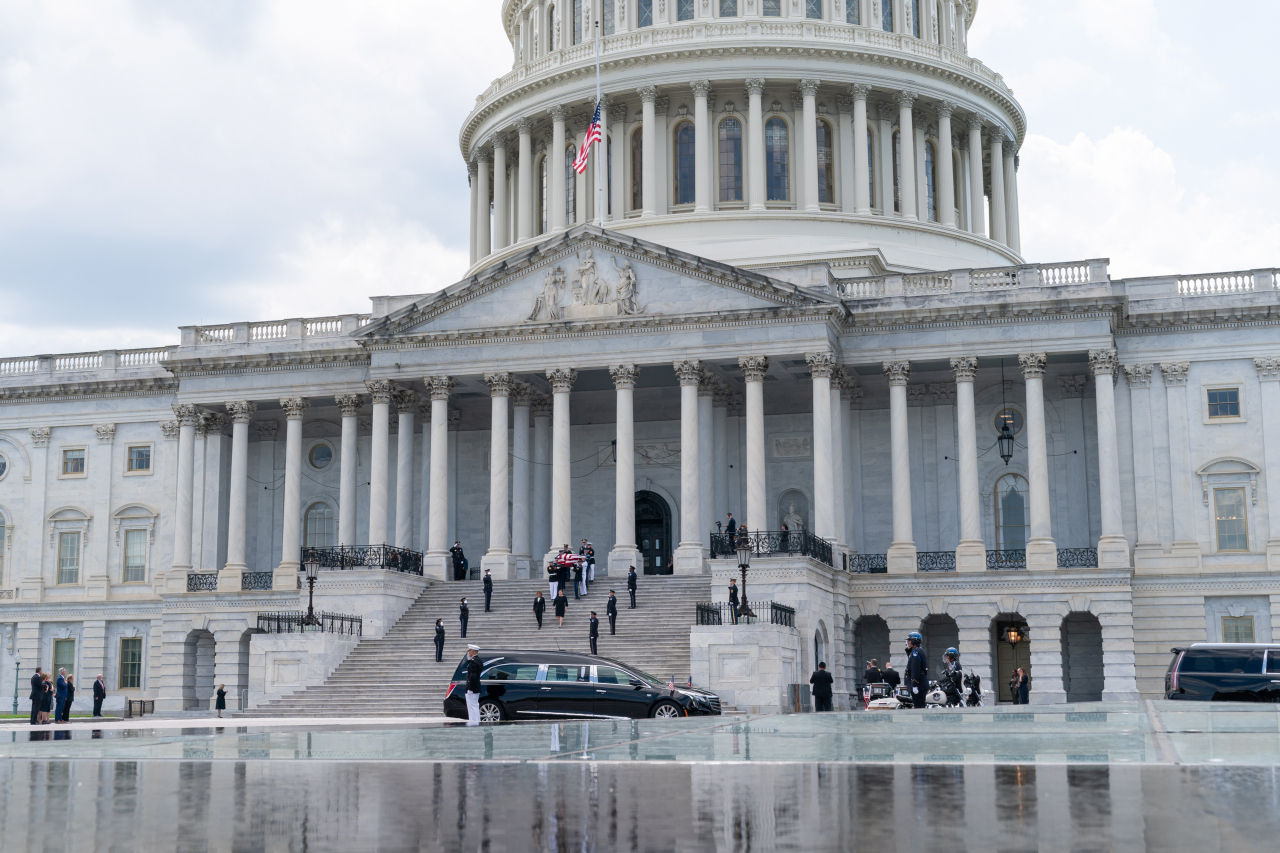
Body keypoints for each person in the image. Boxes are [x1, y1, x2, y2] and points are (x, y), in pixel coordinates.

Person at [905, 632, 928, 709]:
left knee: (919, 707)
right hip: (921, 683)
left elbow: (915, 669)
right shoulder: (918, 650)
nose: (908, 642)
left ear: (914, 641)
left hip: (918, 684)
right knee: (920, 705)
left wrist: (914, 684)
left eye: (910, 641)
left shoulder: (915, 652)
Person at [464, 645, 483, 726]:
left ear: (472, 651)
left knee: (471, 706)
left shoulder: (473, 662)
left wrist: (470, 688)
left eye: (469, 651)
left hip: (472, 687)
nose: (468, 653)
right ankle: (476, 720)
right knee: (475, 705)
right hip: (477, 687)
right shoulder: (478, 660)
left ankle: (473, 721)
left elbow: (472, 676)